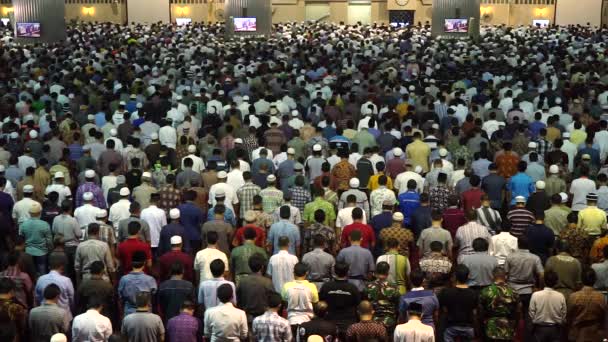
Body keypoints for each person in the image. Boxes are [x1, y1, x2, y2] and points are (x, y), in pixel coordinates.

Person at [438, 265, 478, 342]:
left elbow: (444, 310)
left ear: (455, 277)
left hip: (451, 327)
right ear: (468, 277)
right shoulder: (474, 294)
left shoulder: (446, 292)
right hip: (468, 328)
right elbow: (474, 313)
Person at [319, 262, 361, 336]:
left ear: (334, 271)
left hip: (330, 323)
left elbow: (321, 303)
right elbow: (358, 304)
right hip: (349, 323)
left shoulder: (326, 286)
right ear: (347, 272)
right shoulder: (352, 288)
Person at [478, 267, 519, 341]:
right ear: (505, 276)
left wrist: (481, 328)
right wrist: (514, 327)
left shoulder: (485, 291)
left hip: (490, 327)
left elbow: (480, 313)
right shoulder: (513, 292)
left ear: (493, 276)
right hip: (508, 327)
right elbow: (518, 312)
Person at [567, 268, 607, 342]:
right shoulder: (601, 297)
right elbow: (604, 319)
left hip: (577, 336)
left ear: (581, 280)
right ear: (595, 280)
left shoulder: (573, 296)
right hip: (595, 336)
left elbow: (569, 318)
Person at [529, 270, 567, 342]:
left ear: (544, 281)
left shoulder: (535, 295)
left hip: (539, 328)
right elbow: (563, 314)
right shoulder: (560, 296)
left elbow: (531, 312)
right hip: (555, 329)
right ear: (556, 282)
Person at [282, 262, 319, 333]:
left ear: (294, 273)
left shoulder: (286, 286)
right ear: (306, 273)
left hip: (291, 320)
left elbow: (285, 304)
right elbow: (315, 304)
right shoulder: (312, 286)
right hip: (307, 321)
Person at [118, 251, 157, 316]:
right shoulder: (150, 280)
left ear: (132, 263)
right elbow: (153, 297)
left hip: (129, 313)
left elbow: (120, 298)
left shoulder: (124, 279)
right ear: (144, 263)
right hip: (146, 314)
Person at [364, 261, 400, 331]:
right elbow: (398, 306)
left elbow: (365, 304)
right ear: (387, 273)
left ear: (376, 272)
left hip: (372, 322)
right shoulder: (394, 287)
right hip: (389, 322)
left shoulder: (368, 286)